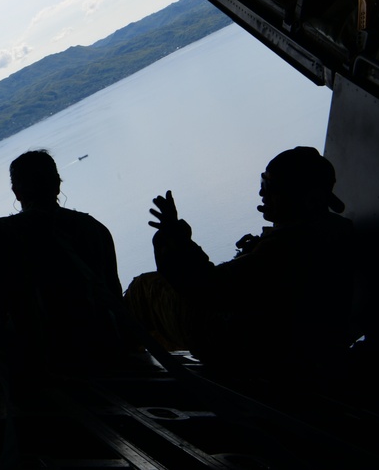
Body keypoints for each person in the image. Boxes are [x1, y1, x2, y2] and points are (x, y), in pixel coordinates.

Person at [126, 146, 360, 374]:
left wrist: (174, 238)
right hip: (295, 345)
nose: (261, 194)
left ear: (302, 197)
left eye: (269, 186)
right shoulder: (334, 230)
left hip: (258, 351)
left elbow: (209, 289)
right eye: (262, 183)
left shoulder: (287, 246)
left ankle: (114, 360)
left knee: (143, 290)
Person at [0, 150, 125, 376]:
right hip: (102, 346)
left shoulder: (3, 234)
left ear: (17, 192)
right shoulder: (95, 229)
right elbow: (114, 294)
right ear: (57, 184)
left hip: (42, 360)